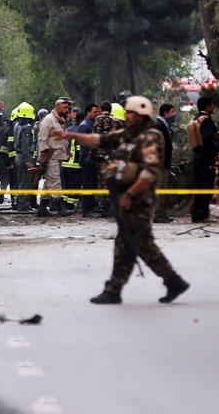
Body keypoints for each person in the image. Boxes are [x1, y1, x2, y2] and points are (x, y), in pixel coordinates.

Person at [51, 96, 190, 305]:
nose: (126, 116)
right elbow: (100, 140)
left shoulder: (151, 137)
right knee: (134, 244)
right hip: (125, 195)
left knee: (134, 244)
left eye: (130, 113)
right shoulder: (128, 134)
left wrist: (131, 194)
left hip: (139, 199)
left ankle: (118, 289)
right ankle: (168, 282)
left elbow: (150, 172)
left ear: (140, 115)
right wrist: (69, 135)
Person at [36, 98, 72, 217]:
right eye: (65, 108)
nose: (67, 110)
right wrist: (43, 154)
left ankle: (42, 208)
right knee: (55, 181)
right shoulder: (49, 120)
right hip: (50, 156)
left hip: (59, 155)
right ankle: (60, 207)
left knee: (48, 182)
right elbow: (42, 138)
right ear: (58, 107)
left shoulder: (60, 121)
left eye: (68, 108)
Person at [189, 96, 219, 223]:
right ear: (207, 106)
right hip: (206, 157)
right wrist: (214, 154)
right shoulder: (207, 121)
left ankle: (196, 213)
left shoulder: (195, 119)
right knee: (207, 184)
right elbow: (207, 139)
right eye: (212, 105)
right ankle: (202, 214)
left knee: (198, 184)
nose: (213, 107)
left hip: (197, 155)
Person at [153, 103, 177, 223]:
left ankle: (162, 213)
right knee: (161, 188)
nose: (174, 114)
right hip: (160, 164)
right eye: (172, 111)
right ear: (166, 113)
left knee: (165, 188)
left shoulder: (166, 126)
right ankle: (157, 214)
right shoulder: (159, 126)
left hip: (165, 163)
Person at [12, 103, 37, 212]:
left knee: (21, 181)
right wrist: (28, 160)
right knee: (25, 182)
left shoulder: (17, 125)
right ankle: (24, 206)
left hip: (19, 156)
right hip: (24, 156)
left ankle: (22, 204)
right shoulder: (26, 128)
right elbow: (25, 144)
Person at [78, 103, 101, 217]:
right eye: (95, 112)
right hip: (87, 159)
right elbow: (84, 144)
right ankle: (86, 210)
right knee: (87, 184)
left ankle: (91, 207)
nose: (97, 114)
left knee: (92, 184)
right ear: (88, 112)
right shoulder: (85, 126)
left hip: (92, 159)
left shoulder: (93, 124)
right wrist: (89, 158)